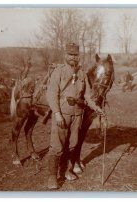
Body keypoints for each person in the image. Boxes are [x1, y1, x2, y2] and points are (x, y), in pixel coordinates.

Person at [46, 42, 104, 189]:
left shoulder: (82, 74)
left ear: (78, 57)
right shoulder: (58, 72)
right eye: (70, 55)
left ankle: (65, 171)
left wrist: (96, 107)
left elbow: (87, 96)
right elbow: (52, 94)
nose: (73, 58)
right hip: (62, 114)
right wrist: (57, 114)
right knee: (57, 146)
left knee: (72, 145)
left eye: (76, 55)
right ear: (65, 55)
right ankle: (52, 177)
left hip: (77, 115)